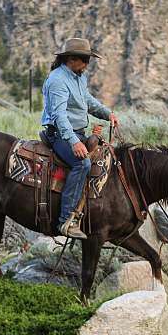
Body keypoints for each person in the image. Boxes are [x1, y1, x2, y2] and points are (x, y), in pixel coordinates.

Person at [41, 37, 119, 239]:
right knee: (82, 164)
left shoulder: (78, 77)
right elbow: (59, 116)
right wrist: (74, 142)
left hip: (77, 131)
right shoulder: (57, 80)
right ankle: (66, 220)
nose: (87, 64)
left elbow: (87, 101)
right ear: (72, 59)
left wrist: (107, 113)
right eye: (85, 60)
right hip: (60, 134)